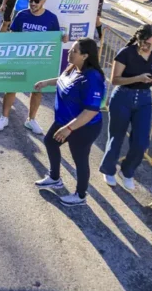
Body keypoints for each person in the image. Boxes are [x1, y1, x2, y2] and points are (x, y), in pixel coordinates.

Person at [33, 37, 105, 207]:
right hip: (65, 121)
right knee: (50, 142)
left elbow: (91, 111)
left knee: (80, 159)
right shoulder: (74, 67)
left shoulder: (92, 78)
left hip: (83, 127)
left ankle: (80, 196)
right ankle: (55, 178)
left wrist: (68, 129)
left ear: (85, 56)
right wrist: (46, 82)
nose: (70, 52)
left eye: (74, 51)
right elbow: (63, 79)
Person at [99, 24, 152, 190]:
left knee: (141, 142)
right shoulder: (125, 53)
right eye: (146, 44)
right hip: (123, 96)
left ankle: (127, 171)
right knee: (116, 137)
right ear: (139, 39)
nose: (149, 48)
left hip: (144, 99)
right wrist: (137, 78)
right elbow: (115, 80)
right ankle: (108, 170)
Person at [0, 0, 64, 135]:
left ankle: (31, 120)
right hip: (20, 60)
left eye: (36, 1)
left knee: (37, 90)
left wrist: (62, 37)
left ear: (43, 2)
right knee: (11, 89)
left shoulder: (51, 18)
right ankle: (4, 117)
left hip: (39, 63)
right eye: (31, 0)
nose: (32, 3)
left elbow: (56, 39)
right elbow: (13, 35)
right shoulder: (22, 15)